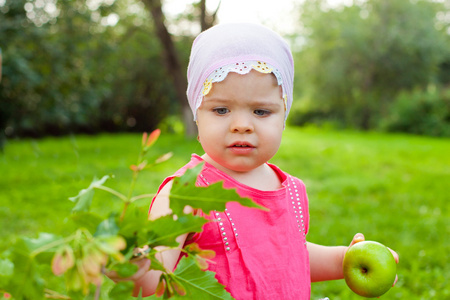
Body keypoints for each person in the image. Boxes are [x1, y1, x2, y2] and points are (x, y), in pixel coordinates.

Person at [110, 23, 399, 299]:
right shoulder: (185, 192)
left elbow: (290, 258)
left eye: (261, 112)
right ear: (197, 112)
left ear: (283, 115)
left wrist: (344, 261)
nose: (241, 125)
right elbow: (157, 274)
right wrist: (134, 269)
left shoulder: (292, 191)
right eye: (221, 109)